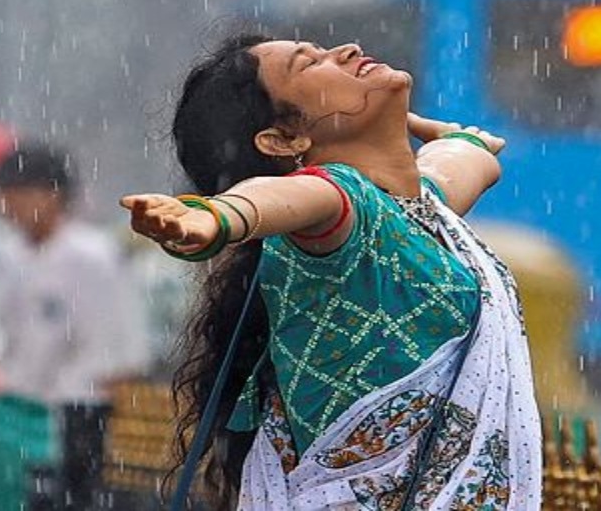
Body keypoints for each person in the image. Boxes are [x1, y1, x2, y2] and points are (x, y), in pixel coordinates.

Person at [121, 33, 541, 509]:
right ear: (284, 140)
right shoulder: (338, 201)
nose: (344, 50)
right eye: (311, 64)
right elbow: (273, 199)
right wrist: (213, 219)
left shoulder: (420, 212)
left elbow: (462, 162)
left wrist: (466, 142)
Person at [0, 143, 152, 510]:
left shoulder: (92, 256)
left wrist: (85, 394)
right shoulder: (11, 255)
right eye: (3, 197)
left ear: (53, 195)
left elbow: (119, 345)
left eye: (17, 195)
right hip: (22, 405)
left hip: (80, 405)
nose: (8, 207)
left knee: (74, 497)